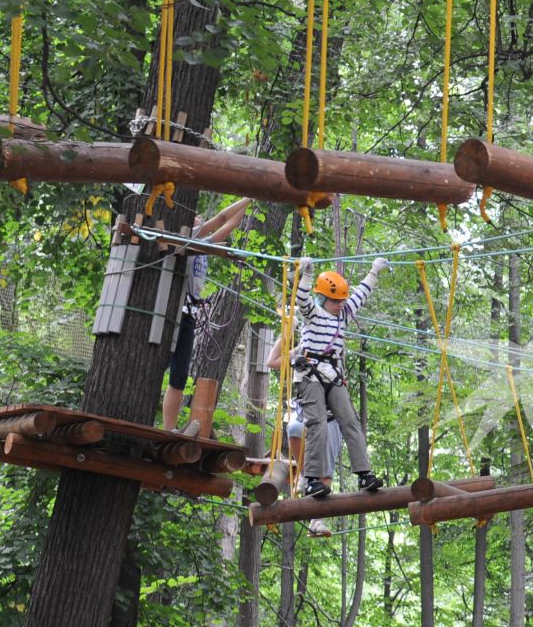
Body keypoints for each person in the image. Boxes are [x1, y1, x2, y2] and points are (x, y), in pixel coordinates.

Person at [271, 255, 388, 498]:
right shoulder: (312, 314)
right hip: (311, 377)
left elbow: (361, 293)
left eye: (341, 301)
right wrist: (308, 275)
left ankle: (365, 474)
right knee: (317, 425)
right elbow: (302, 299)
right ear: (323, 298)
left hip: (333, 376)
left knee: (350, 421)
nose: (339, 304)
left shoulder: (343, 314)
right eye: (334, 301)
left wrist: (374, 271)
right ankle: (312, 479)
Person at [161, 197, 250, 435]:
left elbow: (229, 225)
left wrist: (250, 200)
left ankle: (169, 429)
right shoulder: (186, 241)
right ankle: (165, 426)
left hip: (190, 314)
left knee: (179, 376)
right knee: (165, 368)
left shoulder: (204, 245)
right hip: (174, 311)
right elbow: (220, 218)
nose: (199, 217)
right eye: (195, 217)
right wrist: (248, 196)